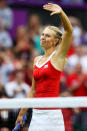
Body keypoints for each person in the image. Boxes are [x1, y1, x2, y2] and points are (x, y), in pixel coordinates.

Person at [15, 3, 73, 131]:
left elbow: (69, 31)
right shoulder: (37, 60)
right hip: (36, 114)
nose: (43, 37)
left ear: (55, 41)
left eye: (47, 35)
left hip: (52, 116)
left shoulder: (58, 57)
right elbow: (33, 91)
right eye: (42, 34)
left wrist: (61, 13)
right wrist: (21, 113)